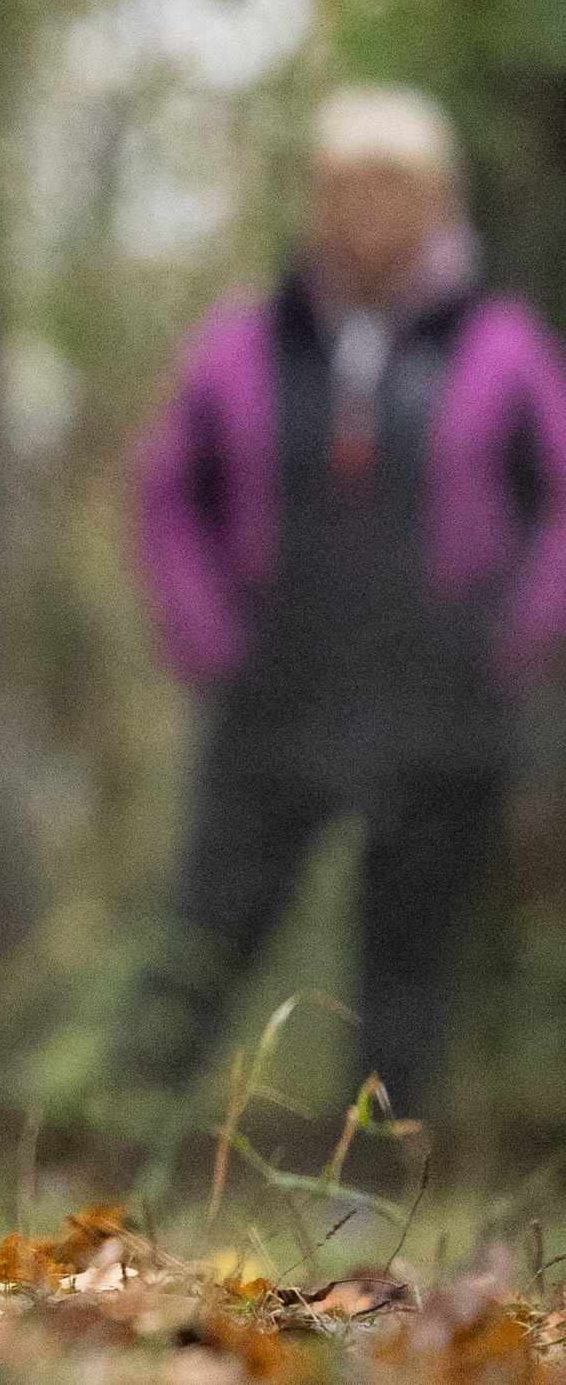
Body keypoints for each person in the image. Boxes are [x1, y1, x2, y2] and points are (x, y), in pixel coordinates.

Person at [127, 84, 566, 1122]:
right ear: (313, 200)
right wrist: (206, 635)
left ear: (439, 201)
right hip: (273, 690)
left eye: (394, 186)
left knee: (407, 962)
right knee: (205, 933)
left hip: (442, 702)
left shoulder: (501, 346)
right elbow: (164, 493)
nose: (369, 209)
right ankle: (113, 1155)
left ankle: (370, 1196)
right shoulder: (240, 342)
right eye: (346, 185)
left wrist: (513, 635)